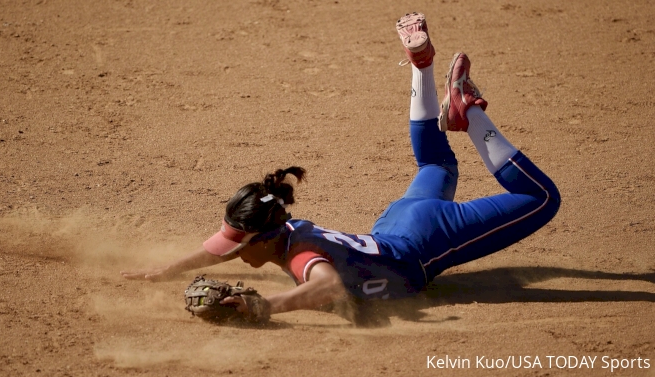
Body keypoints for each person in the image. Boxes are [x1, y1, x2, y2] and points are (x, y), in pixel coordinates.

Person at [121, 12, 561, 324]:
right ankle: (421, 67)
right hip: (399, 225)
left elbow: (326, 288)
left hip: (426, 239)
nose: (231, 254)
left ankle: (471, 115)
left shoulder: (301, 255)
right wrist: (167, 270)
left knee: (541, 199)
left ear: (265, 237)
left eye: (237, 247)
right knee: (435, 160)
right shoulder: (286, 229)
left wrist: (264, 306)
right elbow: (224, 248)